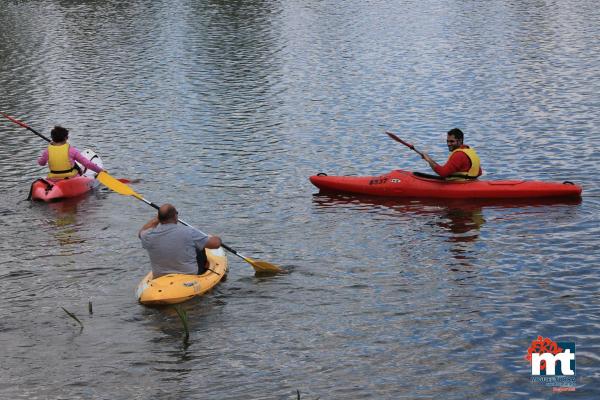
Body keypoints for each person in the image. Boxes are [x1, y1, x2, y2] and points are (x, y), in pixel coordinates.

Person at [139, 204, 222, 278]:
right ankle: (205, 269)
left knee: (195, 243)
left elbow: (141, 232)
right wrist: (215, 238)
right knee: (198, 247)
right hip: (189, 275)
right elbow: (216, 244)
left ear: (160, 218)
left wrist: (157, 219)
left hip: (160, 276)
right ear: (175, 216)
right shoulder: (189, 232)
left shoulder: (148, 235)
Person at [37, 126, 104, 179]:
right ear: (66, 138)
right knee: (77, 167)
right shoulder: (71, 150)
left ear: (52, 138)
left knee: (74, 164)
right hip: (71, 178)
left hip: (54, 178)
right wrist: (100, 171)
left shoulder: (47, 151)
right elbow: (87, 164)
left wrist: (40, 158)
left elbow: (41, 163)